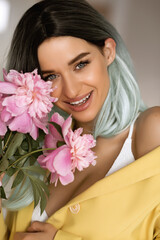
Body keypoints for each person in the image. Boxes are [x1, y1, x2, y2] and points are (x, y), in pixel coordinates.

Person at [0, 0, 160, 239]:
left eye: (80, 64)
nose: (72, 90)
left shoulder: (150, 130)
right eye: (51, 75)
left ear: (108, 52)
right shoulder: (34, 150)